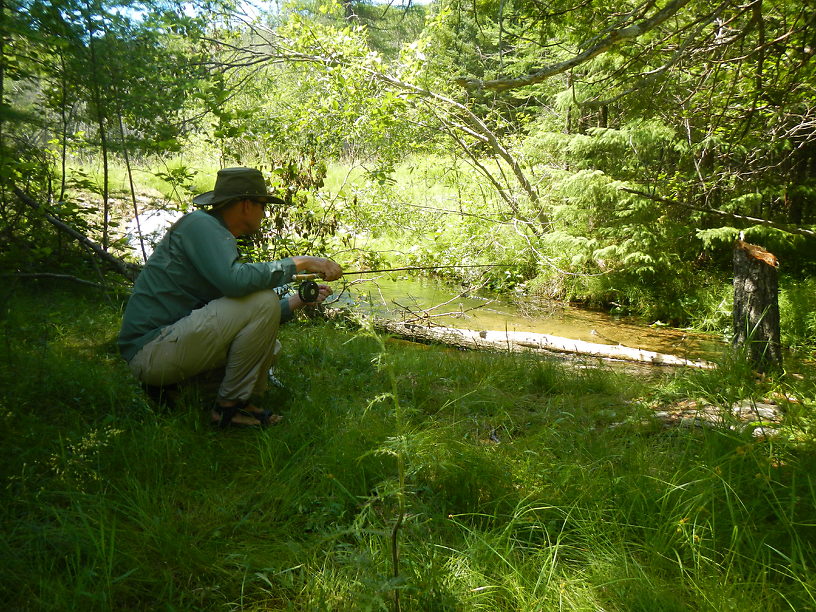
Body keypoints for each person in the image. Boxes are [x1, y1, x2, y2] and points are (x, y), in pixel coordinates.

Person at [118, 167, 343, 427]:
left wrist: (298, 300)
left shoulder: (215, 236)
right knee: (262, 298)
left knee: (270, 344)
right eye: (263, 205)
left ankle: (181, 391)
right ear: (247, 205)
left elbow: (250, 315)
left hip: (169, 348)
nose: (264, 213)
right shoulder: (201, 225)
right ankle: (231, 408)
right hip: (150, 352)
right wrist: (301, 262)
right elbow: (238, 284)